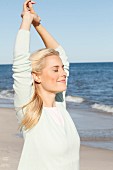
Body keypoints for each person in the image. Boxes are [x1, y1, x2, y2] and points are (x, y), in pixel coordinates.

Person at [12, 0, 80, 169]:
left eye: (62, 69)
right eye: (55, 70)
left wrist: (37, 24)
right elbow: (21, 63)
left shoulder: (60, 104)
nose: (63, 73)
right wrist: (26, 20)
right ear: (37, 77)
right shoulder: (29, 110)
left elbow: (61, 55)